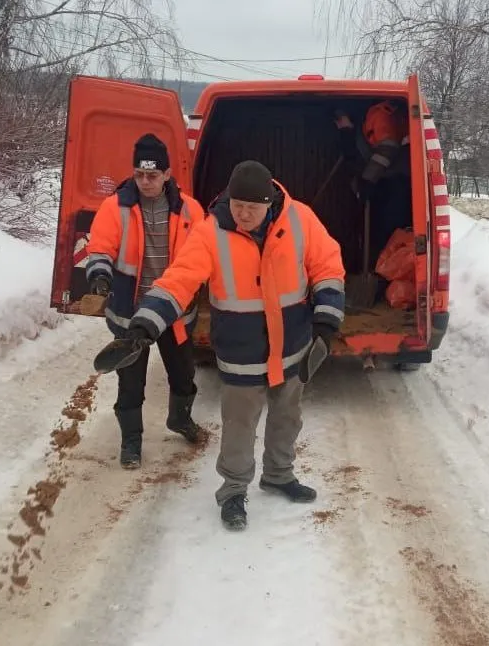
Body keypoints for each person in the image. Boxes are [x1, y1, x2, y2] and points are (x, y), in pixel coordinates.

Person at [121, 160, 345, 530]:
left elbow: (327, 266)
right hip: (243, 352)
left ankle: (278, 474)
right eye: (237, 205)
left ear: (269, 203)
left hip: (293, 346)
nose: (243, 214)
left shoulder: (300, 219)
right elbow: (179, 280)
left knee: (287, 417)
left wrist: (326, 321)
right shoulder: (211, 233)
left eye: (252, 208)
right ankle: (233, 492)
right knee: (240, 424)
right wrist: (145, 324)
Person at [85, 133, 206, 469]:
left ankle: (180, 420)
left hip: (174, 312)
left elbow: (204, 256)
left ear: (167, 174)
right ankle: (131, 442)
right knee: (130, 382)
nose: (145, 181)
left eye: (153, 175)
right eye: (139, 174)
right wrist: (99, 275)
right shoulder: (116, 207)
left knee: (183, 375)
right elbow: (101, 247)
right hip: (131, 312)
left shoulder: (190, 210)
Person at [335, 100, 412, 264]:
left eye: (340, 120)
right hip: (387, 180)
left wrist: (367, 180)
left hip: (396, 182)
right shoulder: (362, 125)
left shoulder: (379, 115)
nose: (338, 124)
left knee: (388, 232)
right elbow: (354, 155)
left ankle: (384, 276)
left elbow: (388, 148)